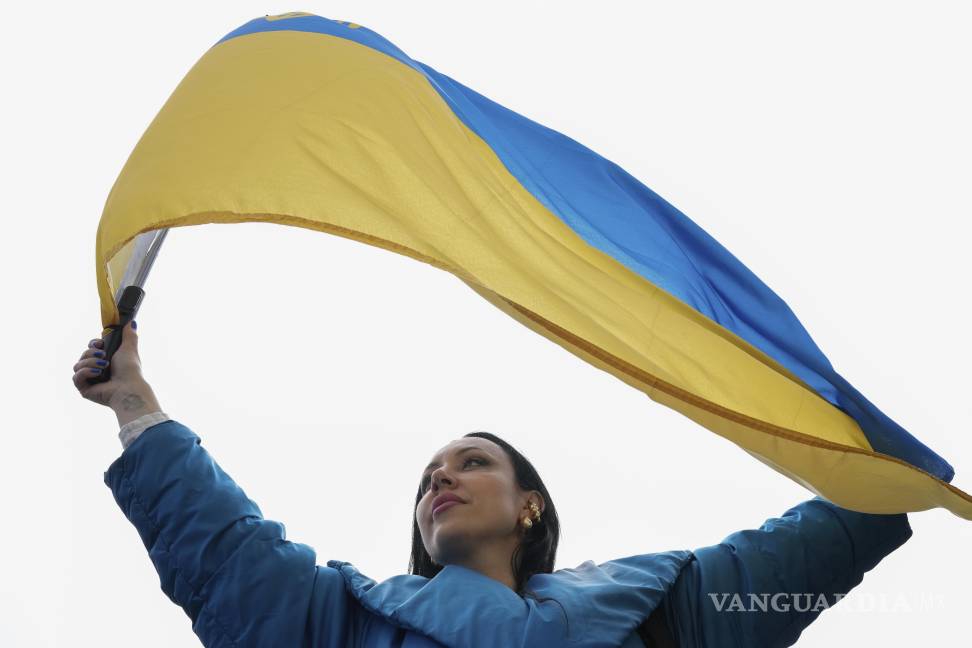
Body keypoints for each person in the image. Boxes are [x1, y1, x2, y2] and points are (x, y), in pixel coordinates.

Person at [74, 322, 913, 647]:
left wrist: (891, 470)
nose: (441, 475)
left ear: (529, 505)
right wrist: (135, 405)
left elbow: (789, 564)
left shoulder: (663, 607)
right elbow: (227, 553)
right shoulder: (343, 620)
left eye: (473, 461)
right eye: (428, 474)